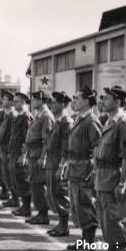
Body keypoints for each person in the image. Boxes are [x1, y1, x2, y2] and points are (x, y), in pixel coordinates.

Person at [94, 85, 126, 251]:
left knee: (116, 219)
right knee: (105, 220)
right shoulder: (109, 121)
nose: (103, 102)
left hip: (115, 176)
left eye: (107, 99)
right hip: (103, 176)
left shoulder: (123, 123)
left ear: (118, 102)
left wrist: (123, 183)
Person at [62, 87, 102, 251]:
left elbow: (98, 146)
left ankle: (89, 243)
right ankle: (84, 240)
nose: (74, 101)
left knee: (85, 204)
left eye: (77, 98)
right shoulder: (79, 119)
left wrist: (92, 169)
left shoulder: (91, 121)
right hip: (75, 166)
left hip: (83, 168)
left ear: (86, 101)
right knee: (77, 205)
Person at [24, 90, 54, 225]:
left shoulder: (46, 117)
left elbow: (46, 141)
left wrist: (43, 157)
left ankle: (43, 214)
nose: (33, 101)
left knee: (38, 185)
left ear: (42, 101)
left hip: (38, 155)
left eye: (36, 99)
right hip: (32, 154)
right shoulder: (39, 116)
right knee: (35, 185)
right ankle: (40, 213)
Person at [45, 91, 73, 236]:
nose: (51, 104)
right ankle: (61, 224)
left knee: (60, 193)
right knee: (53, 192)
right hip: (52, 160)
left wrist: (62, 166)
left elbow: (66, 147)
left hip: (58, 161)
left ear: (62, 104)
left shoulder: (66, 122)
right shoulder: (58, 120)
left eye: (54, 102)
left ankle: (64, 226)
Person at [8, 92, 33, 217]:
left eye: (17, 101)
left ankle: (27, 207)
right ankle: (23, 206)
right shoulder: (19, 116)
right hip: (14, 152)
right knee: (15, 179)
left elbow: (26, 138)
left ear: (23, 102)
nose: (14, 103)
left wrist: (24, 155)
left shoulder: (26, 117)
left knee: (22, 179)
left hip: (20, 153)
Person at [0, 90, 19, 208]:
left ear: (10, 102)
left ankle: (15, 198)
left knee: (10, 174)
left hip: (8, 148)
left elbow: (12, 134)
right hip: (4, 147)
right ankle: (12, 196)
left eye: (5, 99)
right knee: (5, 173)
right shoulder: (6, 114)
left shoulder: (12, 115)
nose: (2, 101)